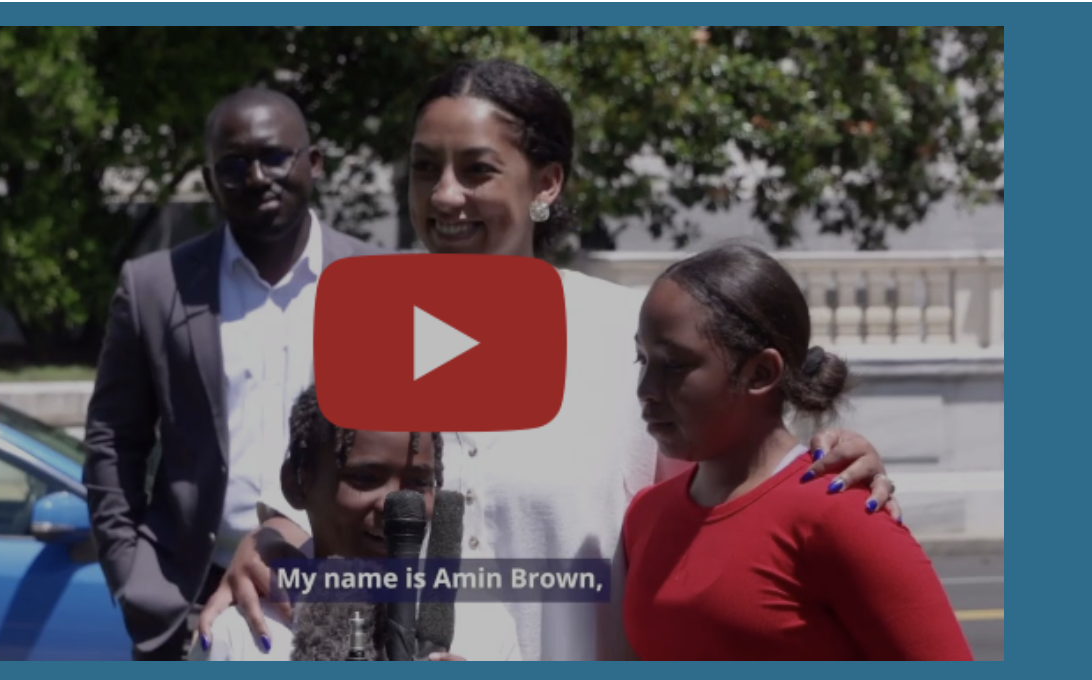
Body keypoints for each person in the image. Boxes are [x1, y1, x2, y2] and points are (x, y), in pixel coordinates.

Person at [204, 60, 902, 661]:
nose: (445, 195)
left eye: (477, 169)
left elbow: (738, 497)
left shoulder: (633, 341)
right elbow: (304, 508)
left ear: (546, 186)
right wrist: (266, 542)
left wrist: (833, 465)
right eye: (424, 169)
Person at [83, 87, 387, 661]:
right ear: (209, 178)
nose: (256, 176)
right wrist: (135, 578)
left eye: (275, 157)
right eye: (233, 164)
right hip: (192, 598)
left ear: (313, 163)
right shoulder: (155, 287)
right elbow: (112, 442)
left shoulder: (383, 281)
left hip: (346, 593)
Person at [623, 244, 972, 660]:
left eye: (675, 365)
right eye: (642, 360)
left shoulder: (842, 515)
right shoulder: (645, 515)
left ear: (760, 373)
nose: (646, 389)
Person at [191, 385, 522, 661]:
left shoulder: (486, 628)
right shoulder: (243, 633)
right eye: (365, 478)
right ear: (296, 484)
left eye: (420, 483)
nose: (396, 505)